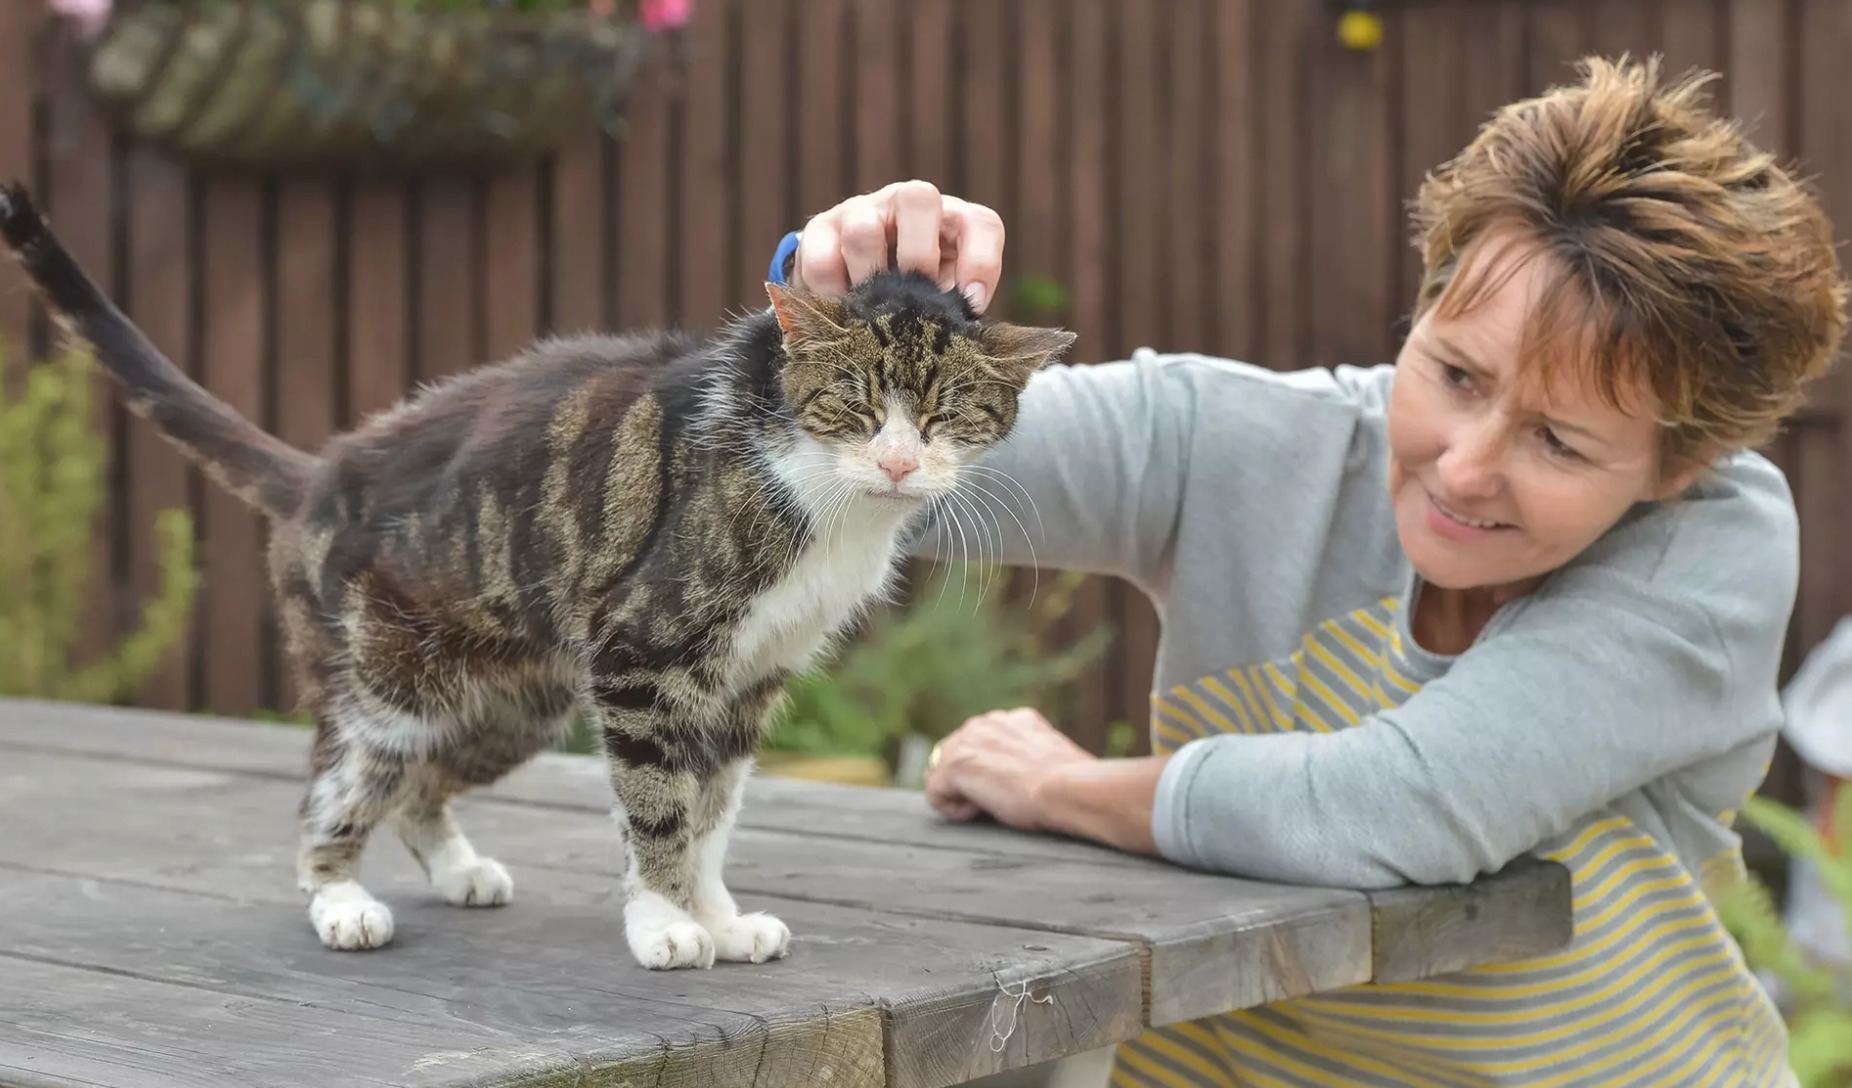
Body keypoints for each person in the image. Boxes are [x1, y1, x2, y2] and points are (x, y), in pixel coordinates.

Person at [768, 56, 1845, 1087]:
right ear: (1421, 306)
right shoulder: (1241, 441)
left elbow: (1399, 806)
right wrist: (827, 313)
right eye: (1455, 371)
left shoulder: (1712, 543)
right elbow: (830, 461)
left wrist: (1060, 788)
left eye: (1558, 442)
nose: (1464, 466)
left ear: (1682, 459)